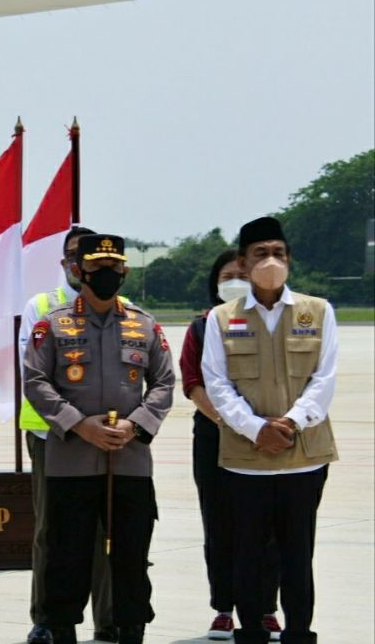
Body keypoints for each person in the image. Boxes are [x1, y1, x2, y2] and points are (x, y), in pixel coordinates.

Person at [23, 234, 174, 644]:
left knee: (130, 556)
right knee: (66, 555)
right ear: (79, 271)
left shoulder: (143, 324)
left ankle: (129, 628)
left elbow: (163, 382)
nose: (107, 274)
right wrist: (77, 423)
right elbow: (36, 381)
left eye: (114, 267)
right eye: (97, 268)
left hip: (129, 459)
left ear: (124, 271)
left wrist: (136, 424)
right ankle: (61, 630)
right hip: (70, 460)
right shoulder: (52, 324)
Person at [203, 216, 338, 644]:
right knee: (247, 555)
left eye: (278, 252)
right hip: (246, 461)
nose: (271, 261)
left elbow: (325, 377)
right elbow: (217, 383)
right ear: (242, 263)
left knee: (298, 555)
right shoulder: (221, 318)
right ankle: (252, 633)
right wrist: (255, 429)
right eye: (260, 253)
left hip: (304, 457)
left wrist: (292, 421)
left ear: (290, 260)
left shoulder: (317, 311)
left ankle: (299, 632)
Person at [17, 226, 116, 644]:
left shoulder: (123, 307)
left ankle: (110, 619)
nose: (85, 263)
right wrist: (77, 422)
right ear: (65, 262)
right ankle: (47, 618)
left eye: (94, 257)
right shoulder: (42, 306)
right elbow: (34, 376)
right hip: (52, 436)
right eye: (77, 255)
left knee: (108, 530)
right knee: (52, 532)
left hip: (109, 438)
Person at [179, 248, 282, 640]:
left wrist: (262, 427)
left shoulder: (275, 322)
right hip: (215, 436)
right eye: (226, 276)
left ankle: (266, 608)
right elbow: (192, 383)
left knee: (269, 527)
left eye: (242, 273)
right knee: (220, 524)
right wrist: (229, 421)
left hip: (268, 438)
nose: (234, 281)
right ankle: (224, 608)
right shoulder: (202, 326)